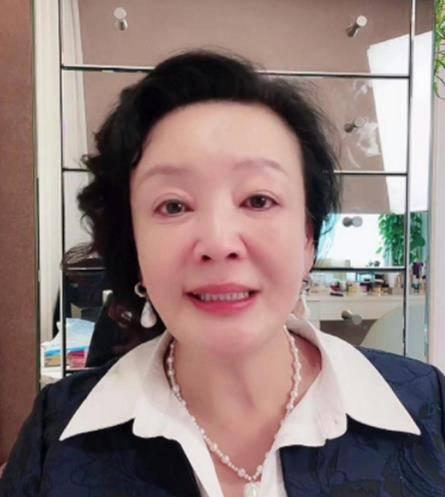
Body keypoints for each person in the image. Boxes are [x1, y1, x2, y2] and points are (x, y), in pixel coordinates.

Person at [1, 49, 444, 497]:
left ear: (308, 237)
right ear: (133, 244)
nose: (218, 242)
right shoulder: (55, 441)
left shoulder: (429, 409)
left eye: (258, 200)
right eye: (173, 205)